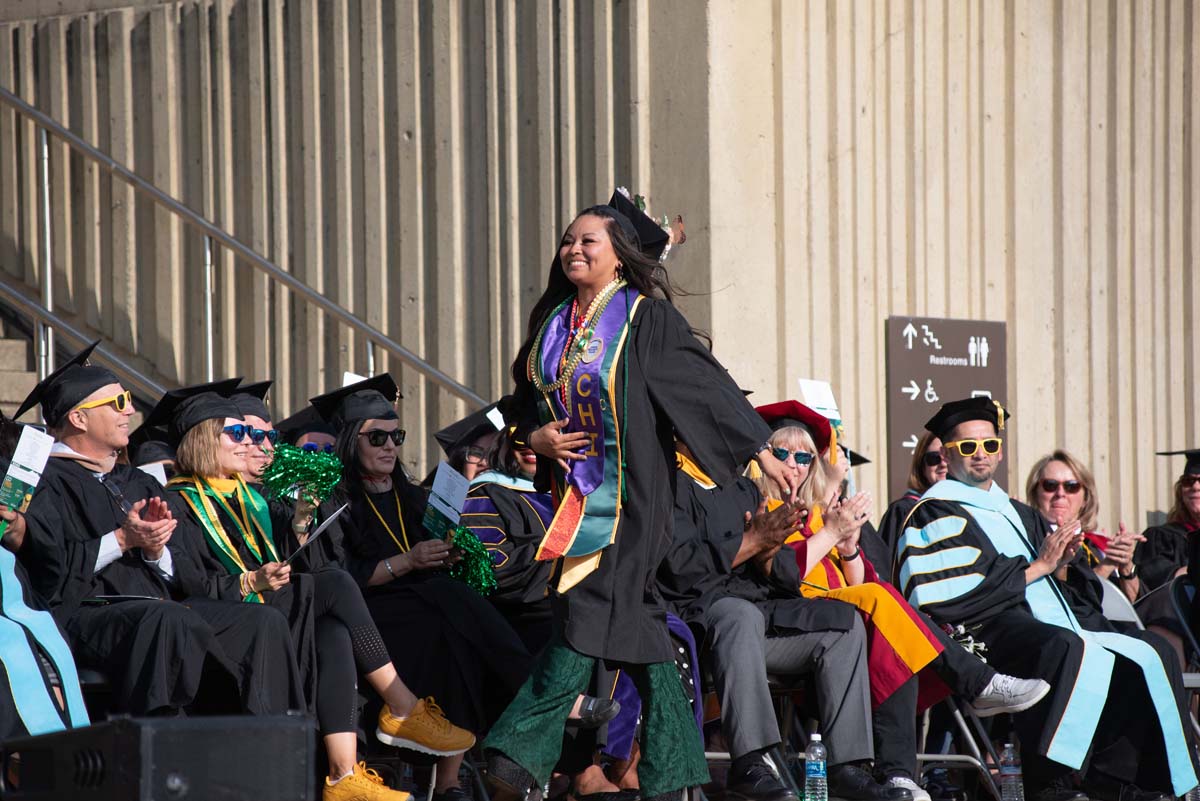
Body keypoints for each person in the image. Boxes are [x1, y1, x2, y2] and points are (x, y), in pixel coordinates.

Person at [483, 189, 801, 801]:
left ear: (620, 258)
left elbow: (702, 386)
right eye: (569, 240)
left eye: (588, 241)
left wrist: (759, 450)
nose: (573, 248)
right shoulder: (551, 325)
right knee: (641, 629)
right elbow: (521, 406)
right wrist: (534, 436)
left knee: (585, 616)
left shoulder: (642, 319)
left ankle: (514, 755)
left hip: (632, 505)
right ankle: (679, 772)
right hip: (575, 504)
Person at [160, 385, 473, 801]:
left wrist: (303, 520)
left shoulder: (252, 499)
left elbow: (289, 560)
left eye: (257, 435)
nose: (252, 444)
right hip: (228, 620)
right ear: (203, 440)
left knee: (334, 632)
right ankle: (401, 706)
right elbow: (190, 583)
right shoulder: (177, 502)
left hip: (273, 607)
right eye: (238, 434)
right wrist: (251, 582)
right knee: (337, 582)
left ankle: (344, 775)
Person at [897, 397, 1197, 801]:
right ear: (948, 454)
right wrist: (1039, 566)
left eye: (988, 445)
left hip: (1046, 621)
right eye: (968, 447)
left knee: (1149, 648)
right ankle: (1051, 784)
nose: (980, 455)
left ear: (1000, 450)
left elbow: (1069, 589)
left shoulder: (1020, 513)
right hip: (984, 632)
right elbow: (948, 598)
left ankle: (1120, 780)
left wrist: (1062, 567)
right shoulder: (932, 512)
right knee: (1062, 647)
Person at [754, 401, 1047, 799]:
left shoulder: (818, 514)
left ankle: (899, 775)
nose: (794, 464)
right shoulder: (755, 507)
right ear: (764, 458)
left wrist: (849, 548)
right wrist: (830, 535)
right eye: (783, 453)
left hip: (840, 619)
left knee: (896, 636)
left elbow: (855, 579)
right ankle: (976, 681)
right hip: (790, 620)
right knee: (887, 606)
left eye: (805, 456)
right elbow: (784, 576)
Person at [15, 345, 302, 720]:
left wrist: (154, 549)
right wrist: (122, 540)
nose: (130, 411)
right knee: (168, 620)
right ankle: (161, 759)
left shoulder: (137, 481)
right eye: (118, 403)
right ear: (79, 418)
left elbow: (187, 574)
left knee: (261, 622)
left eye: (129, 400)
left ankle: (268, 750)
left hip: (162, 606)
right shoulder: (43, 481)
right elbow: (47, 570)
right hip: (85, 613)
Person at [313, 375, 548, 801]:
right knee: (448, 602)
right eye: (377, 437)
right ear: (350, 442)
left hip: (421, 610)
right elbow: (336, 576)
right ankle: (534, 690)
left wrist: (451, 554)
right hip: (368, 617)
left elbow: (432, 563)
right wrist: (409, 561)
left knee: (454, 618)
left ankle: (449, 782)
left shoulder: (414, 497)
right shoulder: (334, 501)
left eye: (395, 435)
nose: (389, 446)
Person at [660, 441, 910, 801]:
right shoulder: (670, 481)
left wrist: (771, 546)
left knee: (842, 623)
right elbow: (680, 568)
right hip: (696, 618)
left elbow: (777, 574)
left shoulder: (742, 488)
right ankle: (751, 762)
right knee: (738, 613)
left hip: (754, 619)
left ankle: (847, 767)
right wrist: (752, 540)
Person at [0, 411, 90, 739]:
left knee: (34, 644)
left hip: (14, 610)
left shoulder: (13, 458)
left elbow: (52, 570)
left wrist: (20, 530)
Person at [1025, 451, 1141, 603]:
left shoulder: (1100, 545)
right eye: (1050, 485)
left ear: (1086, 498)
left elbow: (1136, 606)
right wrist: (1107, 566)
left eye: (1071, 486)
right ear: (1035, 493)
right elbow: (1073, 603)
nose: (1060, 493)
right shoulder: (1027, 538)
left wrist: (1125, 565)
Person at [877, 431, 946, 560]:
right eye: (934, 458)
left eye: (947, 456)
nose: (942, 463)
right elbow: (885, 567)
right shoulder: (904, 511)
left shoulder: (973, 510)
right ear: (922, 466)